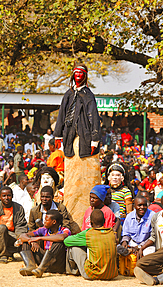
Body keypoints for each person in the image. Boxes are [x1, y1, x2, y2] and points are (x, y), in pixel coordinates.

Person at [53, 64, 101, 228]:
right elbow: (61, 114)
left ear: (85, 75)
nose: (79, 75)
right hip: (69, 139)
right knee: (71, 179)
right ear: (73, 75)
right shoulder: (68, 94)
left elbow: (93, 116)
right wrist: (58, 135)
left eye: (82, 72)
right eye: (76, 72)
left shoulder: (88, 95)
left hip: (85, 138)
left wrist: (95, 139)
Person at [64, 209, 118, 280]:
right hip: (111, 274)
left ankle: (72, 271)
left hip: (92, 274)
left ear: (91, 223)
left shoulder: (88, 233)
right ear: (104, 221)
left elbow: (66, 241)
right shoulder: (111, 233)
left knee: (73, 248)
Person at [18, 209, 71, 277]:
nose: (44, 222)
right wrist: (31, 241)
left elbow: (62, 237)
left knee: (58, 243)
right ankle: (30, 266)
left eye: (46, 220)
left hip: (57, 263)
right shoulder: (44, 229)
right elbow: (22, 236)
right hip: (44, 260)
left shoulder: (64, 230)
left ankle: (41, 269)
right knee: (26, 242)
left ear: (54, 222)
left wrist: (40, 238)